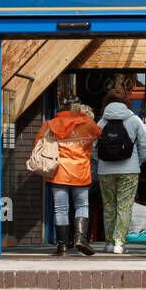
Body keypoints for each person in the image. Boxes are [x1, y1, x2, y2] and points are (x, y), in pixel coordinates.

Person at [38, 98, 101, 256]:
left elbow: (38, 142)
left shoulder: (51, 124)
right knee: (82, 206)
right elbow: (98, 133)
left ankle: (62, 247)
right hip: (81, 172)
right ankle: (81, 238)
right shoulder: (87, 123)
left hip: (59, 173)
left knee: (61, 210)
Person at [95, 87, 146, 254]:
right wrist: (137, 162)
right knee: (124, 206)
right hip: (129, 170)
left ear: (106, 102)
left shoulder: (102, 122)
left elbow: (92, 147)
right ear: (127, 102)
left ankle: (109, 243)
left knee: (109, 206)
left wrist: (101, 161)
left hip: (105, 171)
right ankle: (120, 244)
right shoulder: (134, 120)